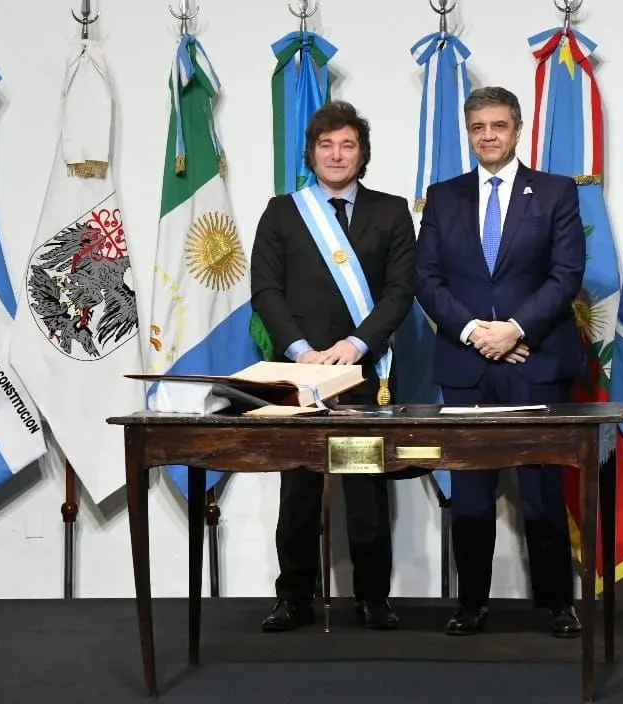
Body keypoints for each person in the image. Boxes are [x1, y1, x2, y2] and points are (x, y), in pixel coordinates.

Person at [413, 86, 586, 637]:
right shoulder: (443, 197)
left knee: (542, 493)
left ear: (517, 129)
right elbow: (426, 278)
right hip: (467, 367)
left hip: (535, 362)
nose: (488, 136)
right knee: (470, 494)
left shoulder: (555, 192)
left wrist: (513, 329)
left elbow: (566, 274)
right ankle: (471, 604)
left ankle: (557, 604)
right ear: (468, 133)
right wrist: (474, 332)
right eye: (478, 127)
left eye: (498, 126)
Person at [249, 101, 416, 632]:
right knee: (298, 493)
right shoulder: (282, 212)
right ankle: (294, 599)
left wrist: (357, 344)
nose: (337, 154)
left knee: (365, 493)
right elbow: (265, 289)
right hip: (299, 378)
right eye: (326, 144)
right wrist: (301, 352)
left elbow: (400, 291)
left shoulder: (391, 211)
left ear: (362, 153)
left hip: (364, 375)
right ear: (311, 152)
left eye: (348, 145)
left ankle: (373, 598)